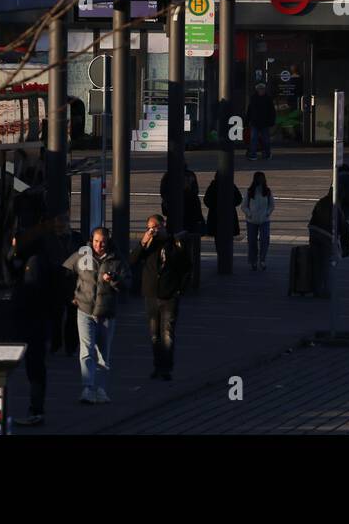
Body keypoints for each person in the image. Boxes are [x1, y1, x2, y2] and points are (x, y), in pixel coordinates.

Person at [63, 227, 130, 404]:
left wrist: (114, 280)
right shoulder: (82, 254)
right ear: (91, 240)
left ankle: (100, 389)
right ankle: (88, 388)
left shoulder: (116, 258)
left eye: (102, 242)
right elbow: (65, 272)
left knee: (103, 353)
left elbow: (128, 282)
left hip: (106, 312)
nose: (98, 246)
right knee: (86, 350)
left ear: (108, 242)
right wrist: (72, 295)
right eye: (96, 241)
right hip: (85, 309)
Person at [6, 207, 57, 426]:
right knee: (34, 367)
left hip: (32, 323)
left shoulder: (33, 264)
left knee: (34, 367)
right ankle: (35, 409)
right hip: (35, 321)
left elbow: (30, 291)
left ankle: (36, 409)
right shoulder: (35, 259)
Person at [130, 215, 191, 381]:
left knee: (167, 333)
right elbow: (132, 260)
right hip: (151, 294)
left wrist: (180, 290)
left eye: (155, 227)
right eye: (149, 227)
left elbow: (186, 267)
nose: (152, 230)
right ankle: (157, 366)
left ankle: (166, 368)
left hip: (169, 295)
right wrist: (143, 242)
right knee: (154, 334)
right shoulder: (149, 245)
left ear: (164, 225)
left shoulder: (174, 243)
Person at [50, 213, 84, 356]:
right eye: (57, 227)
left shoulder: (76, 238)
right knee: (55, 317)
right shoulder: (49, 239)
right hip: (55, 282)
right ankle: (56, 344)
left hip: (73, 282)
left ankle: (70, 346)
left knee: (73, 317)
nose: (59, 229)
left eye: (62, 226)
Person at [307, 187, 349, 297]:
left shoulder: (322, 201)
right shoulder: (336, 206)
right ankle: (326, 290)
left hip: (314, 231)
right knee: (326, 263)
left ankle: (316, 289)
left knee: (316, 263)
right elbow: (343, 226)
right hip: (326, 235)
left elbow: (313, 214)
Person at [242, 172, 276, 271]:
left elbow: (272, 205)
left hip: (264, 220)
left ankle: (262, 260)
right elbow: (244, 206)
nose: (260, 181)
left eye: (262, 178)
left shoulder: (267, 191)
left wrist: (267, 213)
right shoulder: (249, 192)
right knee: (252, 241)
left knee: (264, 240)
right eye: (259, 179)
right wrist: (249, 214)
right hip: (251, 220)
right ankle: (253, 261)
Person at [204, 172, 242, 240]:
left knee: (218, 238)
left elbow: (206, 200)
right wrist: (231, 205)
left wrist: (214, 206)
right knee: (228, 238)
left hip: (215, 216)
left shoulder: (212, 186)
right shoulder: (230, 185)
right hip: (228, 215)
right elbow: (239, 199)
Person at [245, 82, 277, 160]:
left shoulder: (264, 99)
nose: (261, 90)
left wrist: (271, 121)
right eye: (260, 89)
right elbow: (250, 111)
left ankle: (265, 154)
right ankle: (255, 154)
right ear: (257, 90)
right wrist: (247, 121)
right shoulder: (256, 98)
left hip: (263, 122)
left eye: (262, 89)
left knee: (263, 139)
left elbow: (272, 111)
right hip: (256, 122)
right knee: (255, 139)